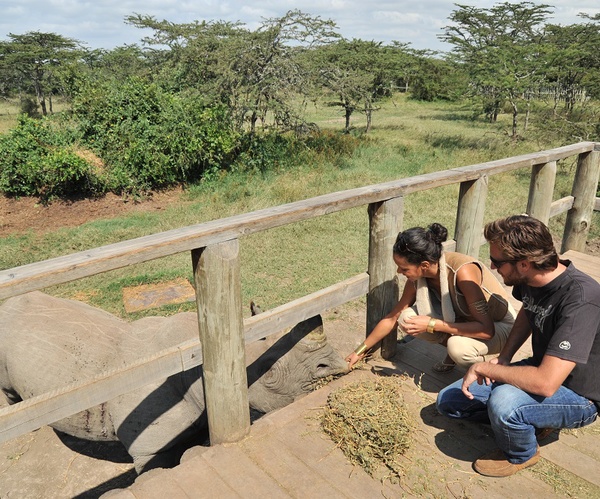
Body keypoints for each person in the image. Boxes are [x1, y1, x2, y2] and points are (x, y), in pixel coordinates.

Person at [436, 215, 600, 477]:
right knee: (450, 402)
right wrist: (504, 357)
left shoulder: (582, 299)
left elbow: (545, 383)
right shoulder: (531, 280)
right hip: (541, 369)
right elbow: (527, 311)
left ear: (524, 264)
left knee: (505, 402)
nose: (492, 266)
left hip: (580, 395)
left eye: (497, 262)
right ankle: (534, 418)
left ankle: (522, 453)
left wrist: (485, 368)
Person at [346, 223, 517, 372]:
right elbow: (393, 318)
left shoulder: (463, 272)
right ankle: (454, 352)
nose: (399, 272)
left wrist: (432, 324)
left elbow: (486, 330)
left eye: (404, 268)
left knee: (458, 348)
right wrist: (358, 352)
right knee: (407, 318)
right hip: (467, 321)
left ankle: (486, 376)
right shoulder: (418, 278)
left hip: (500, 324)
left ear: (425, 265)